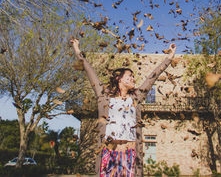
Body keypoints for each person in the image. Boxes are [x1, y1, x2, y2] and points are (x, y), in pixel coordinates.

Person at [71, 39, 176, 177]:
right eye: (130, 76)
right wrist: (77, 49)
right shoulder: (104, 96)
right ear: (119, 79)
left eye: (133, 76)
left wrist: (169, 57)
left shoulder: (136, 97)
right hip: (108, 154)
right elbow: (89, 71)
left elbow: (152, 77)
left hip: (130, 155)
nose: (133, 79)